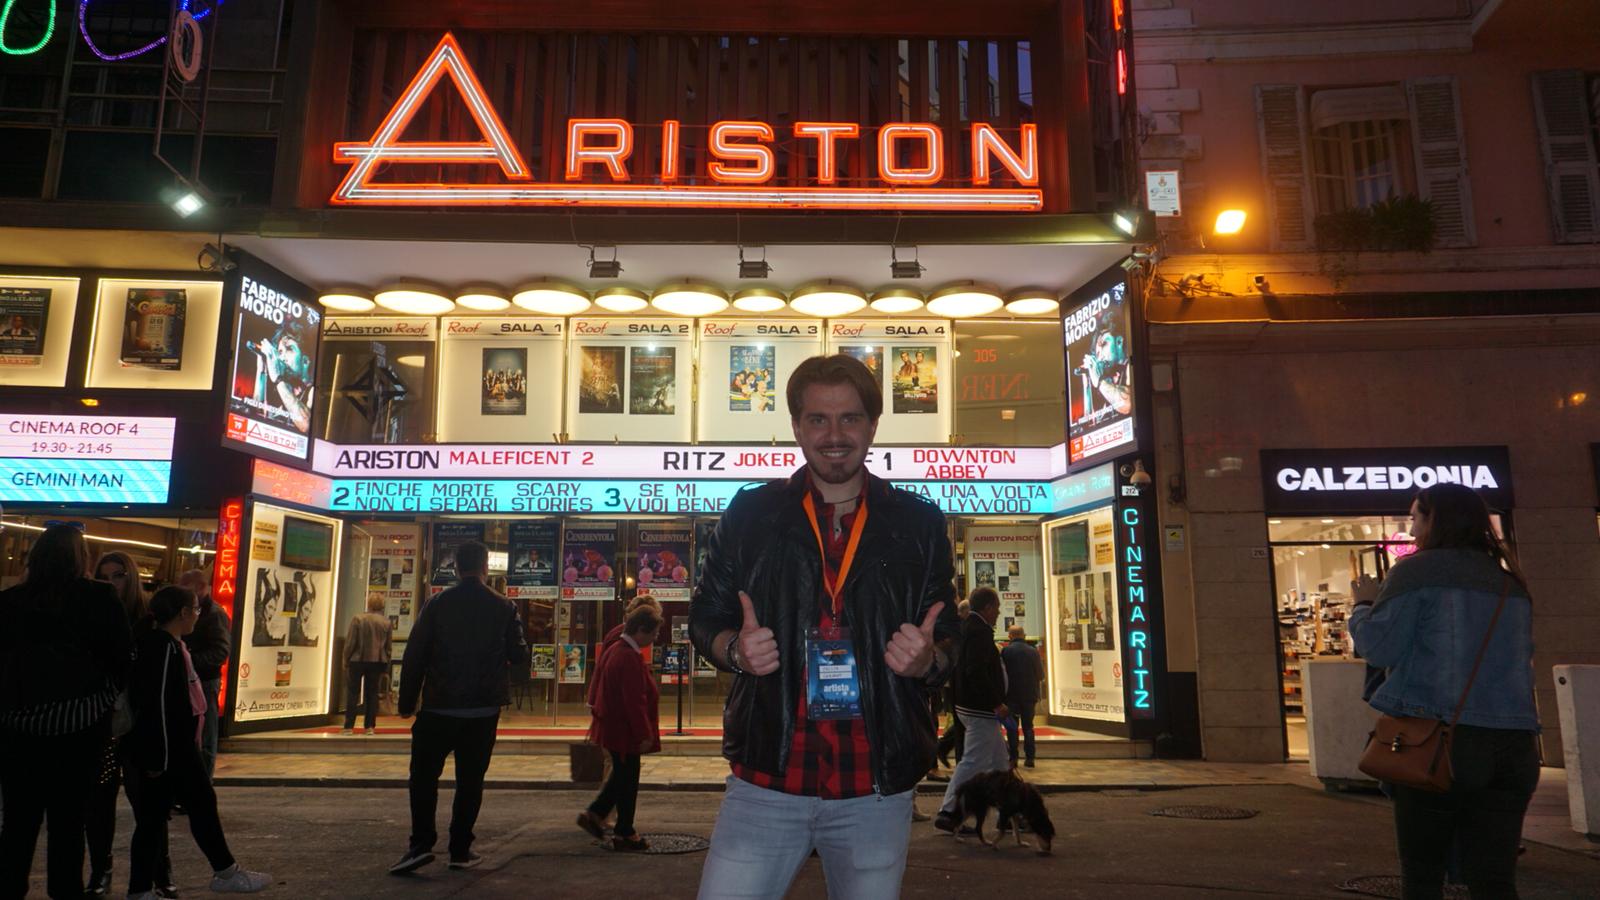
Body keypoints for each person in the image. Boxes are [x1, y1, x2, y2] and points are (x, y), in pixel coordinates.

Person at [691, 353, 959, 900]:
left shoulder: (918, 523)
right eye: (818, 419)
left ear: (873, 426)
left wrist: (928, 659)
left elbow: (950, 633)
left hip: (875, 786)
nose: (834, 435)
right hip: (768, 777)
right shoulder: (751, 515)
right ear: (796, 426)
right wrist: (735, 650)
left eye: (850, 418)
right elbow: (705, 618)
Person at [1349, 484, 1539, 900]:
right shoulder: (1509, 582)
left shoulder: (1416, 571)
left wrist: (1362, 606)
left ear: (1435, 519)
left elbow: (1379, 648)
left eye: (1415, 517)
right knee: (1494, 880)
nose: (1411, 529)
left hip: (1440, 741)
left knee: (1423, 875)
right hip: (1515, 746)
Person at [0, 525, 132, 900]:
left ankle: (9, 887)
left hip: (19, 729)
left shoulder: (10, 602)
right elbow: (122, 657)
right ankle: (65, 890)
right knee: (69, 823)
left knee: (18, 823)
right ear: (80, 558)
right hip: (80, 728)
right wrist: (101, 698)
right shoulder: (99, 597)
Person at [390, 541, 528, 875]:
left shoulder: (437, 604)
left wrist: (407, 703)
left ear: (455, 568)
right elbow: (520, 654)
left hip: (438, 706)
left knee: (423, 777)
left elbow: (415, 655)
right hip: (482, 711)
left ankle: (421, 844)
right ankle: (460, 848)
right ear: (485, 567)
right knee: (470, 781)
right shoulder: (504, 606)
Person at [125, 586, 270, 898]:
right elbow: (159, 705)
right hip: (171, 750)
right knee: (169, 815)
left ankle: (220, 871)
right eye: (195, 610)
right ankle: (222, 873)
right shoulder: (163, 648)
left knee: (173, 814)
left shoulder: (169, 645)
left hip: (174, 748)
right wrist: (159, 757)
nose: (197, 616)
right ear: (183, 613)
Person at [87, 550, 158, 896]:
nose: (112, 583)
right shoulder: (93, 614)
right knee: (100, 799)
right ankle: (101, 867)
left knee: (145, 800)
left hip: (139, 722)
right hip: (104, 721)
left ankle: (156, 871)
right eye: (104, 577)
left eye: (118, 575)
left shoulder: (148, 618)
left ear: (131, 577)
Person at [577, 605, 663, 851]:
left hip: (615, 728)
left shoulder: (617, 649)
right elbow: (634, 701)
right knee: (628, 781)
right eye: (654, 633)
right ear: (641, 630)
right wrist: (643, 733)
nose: (655, 638)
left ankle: (595, 814)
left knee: (621, 776)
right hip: (624, 732)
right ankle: (625, 832)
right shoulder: (628, 657)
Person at [934, 587, 1010, 833]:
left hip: (972, 706)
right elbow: (975, 670)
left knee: (999, 761)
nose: (998, 612)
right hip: (980, 709)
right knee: (973, 761)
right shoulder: (979, 632)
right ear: (988, 608)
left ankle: (1009, 812)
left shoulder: (970, 628)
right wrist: (995, 702)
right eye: (996, 607)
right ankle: (949, 810)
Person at [177, 569, 230, 779]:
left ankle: (203, 780)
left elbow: (221, 650)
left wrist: (190, 661)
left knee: (206, 733)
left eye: (185, 587)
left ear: (199, 587)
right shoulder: (193, 611)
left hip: (205, 680)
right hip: (193, 677)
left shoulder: (214, 614)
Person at [343, 594, 393, 735]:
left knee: (353, 692)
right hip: (377, 661)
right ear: (382, 605)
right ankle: (369, 726)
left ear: (369, 603)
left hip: (357, 660)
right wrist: (387, 663)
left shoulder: (358, 619)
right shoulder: (386, 623)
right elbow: (388, 647)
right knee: (372, 693)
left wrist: (345, 659)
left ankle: (348, 726)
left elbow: (350, 643)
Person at [935, 598, 973, 769]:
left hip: (952, 682)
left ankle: (944, 748)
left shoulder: (957, 629)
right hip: (954, 683)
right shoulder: (958, 630)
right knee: (961, 721)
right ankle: (946, 750)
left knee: (961, 722)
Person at [1000, 624, 1044, 768]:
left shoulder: (1006, 651)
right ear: (1024, 636)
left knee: (1012, 727)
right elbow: (1040, 674)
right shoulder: (1033, 651)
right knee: (1028, 727)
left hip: (1011, 695)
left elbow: (1001, 674)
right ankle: (1030, 758)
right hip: (1029, 695)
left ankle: (1013, 758)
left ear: (1010, 636)